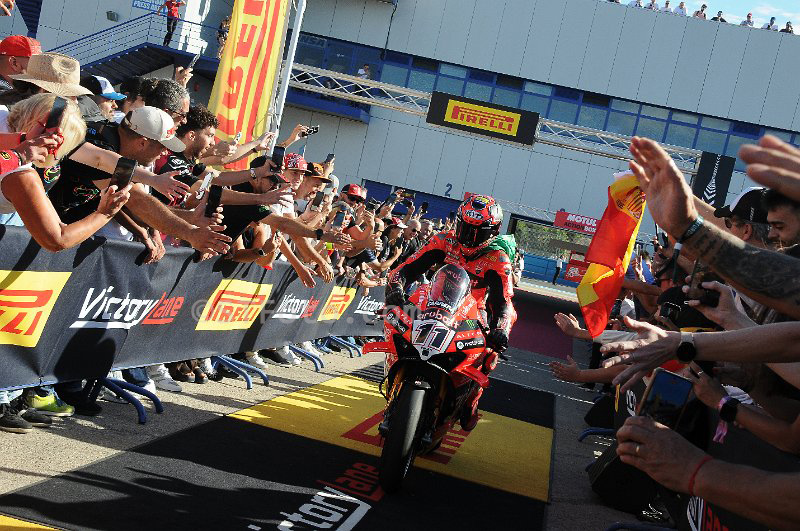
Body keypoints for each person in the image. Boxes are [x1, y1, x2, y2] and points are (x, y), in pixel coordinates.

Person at [386, 195, 517, 431]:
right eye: (466, 228)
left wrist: (501, 329)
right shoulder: (443, 240)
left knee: (490, 353)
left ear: (494, 231)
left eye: (478, 232)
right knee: (396, 322)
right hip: (432, 301)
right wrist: (396, 287)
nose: (469, 237)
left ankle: (471, 398)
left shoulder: (498, 259)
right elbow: (405, 269)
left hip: (472, 312)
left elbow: (503, 302)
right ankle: (395, 376)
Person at [0, 93, 130, 250]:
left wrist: (22, 141)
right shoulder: (23, 176)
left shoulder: (2, 112)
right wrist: (104, 213)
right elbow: (57, 239)